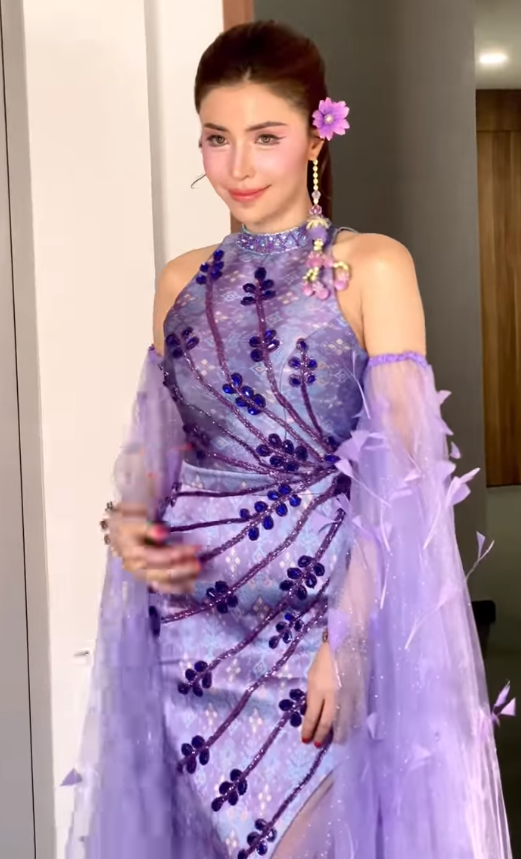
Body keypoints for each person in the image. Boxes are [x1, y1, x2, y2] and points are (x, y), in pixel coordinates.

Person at [67, 21, 512, 859]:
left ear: (316, 135)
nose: (237, 165)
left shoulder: (371, 267)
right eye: (217, 138)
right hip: (194, 630)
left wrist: (348, 639)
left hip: (320, 618)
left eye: (266, 137)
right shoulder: (180, 281)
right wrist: (128, 520)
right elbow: (159, 458)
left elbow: (402, 477)